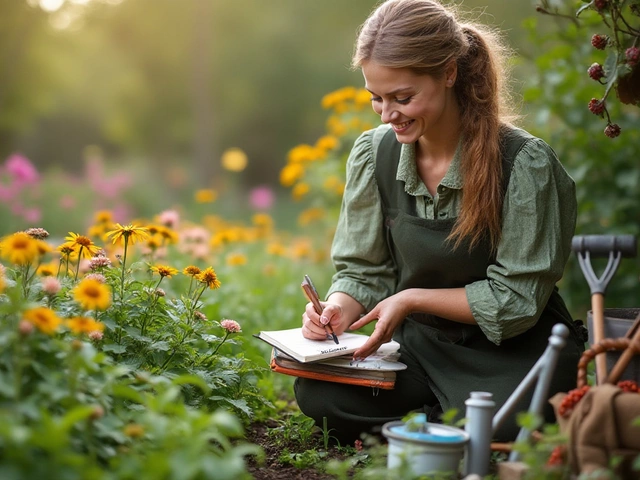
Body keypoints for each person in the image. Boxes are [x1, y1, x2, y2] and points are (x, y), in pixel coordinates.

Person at [294, 0, 586, 444]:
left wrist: (410, 299)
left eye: (403, 97)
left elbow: (518, 300)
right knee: (320, 395)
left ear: (449, 73)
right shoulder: (375, 153)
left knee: (511, 421)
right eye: (376, 97)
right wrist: (336, 309)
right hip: (419, 349)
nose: (387, 113)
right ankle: (442, 423)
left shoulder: (525, 163)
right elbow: (363, 270)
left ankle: (425, 424)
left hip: (513, 350)